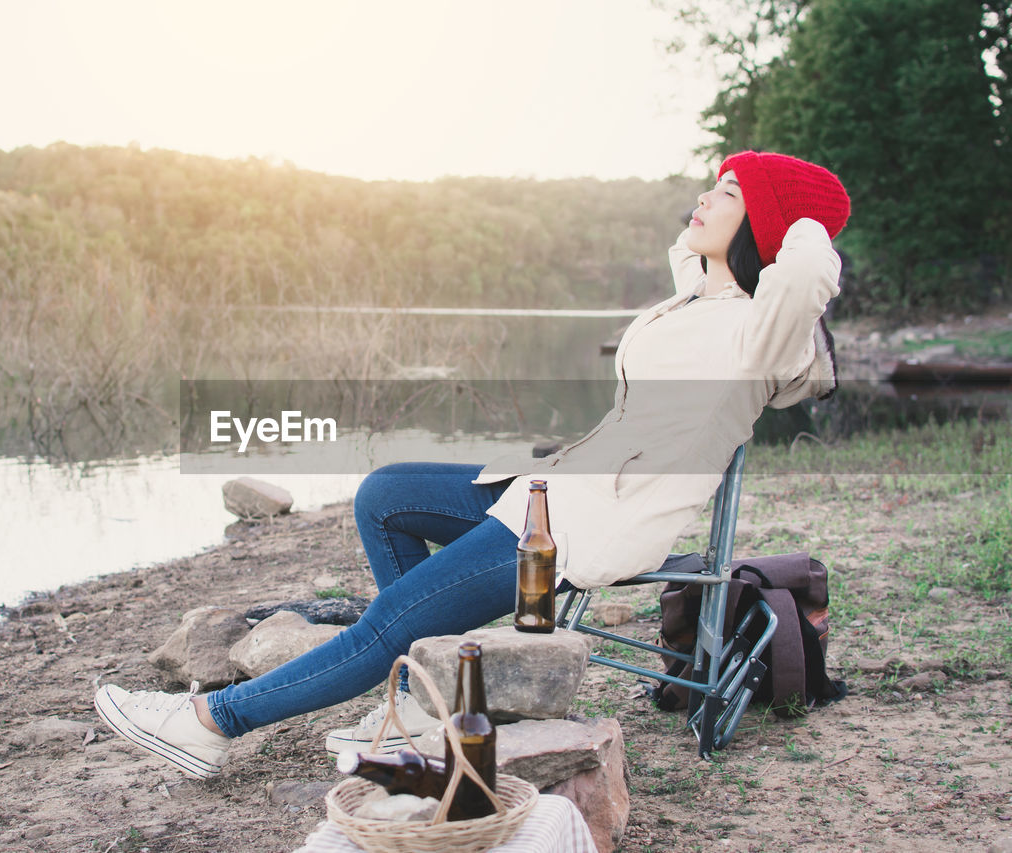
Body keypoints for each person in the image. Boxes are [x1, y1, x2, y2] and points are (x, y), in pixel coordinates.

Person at [94, 151, 851, 780]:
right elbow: (689, 256)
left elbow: (809, 267)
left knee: (382, 625)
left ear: (768, 222)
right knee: (384, 494)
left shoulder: (760, 331)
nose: (704, 197)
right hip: (553, 489)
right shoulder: (697, 300)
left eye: (728, 192)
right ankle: (420, 698)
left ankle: (210, 721)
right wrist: (740, 202)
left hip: (584, 525)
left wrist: (798, 211)